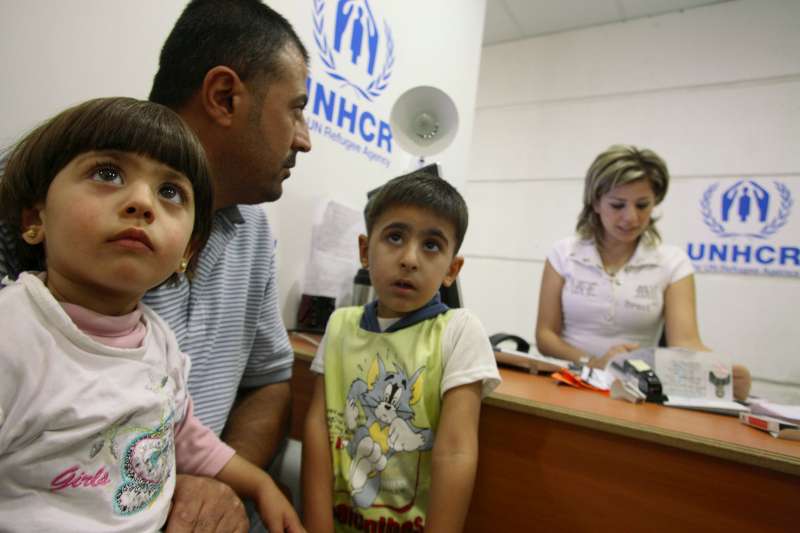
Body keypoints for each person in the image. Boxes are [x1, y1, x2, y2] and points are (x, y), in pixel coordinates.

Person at [0, 1, 312, 529]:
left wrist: (217, 480)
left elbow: (264, 382)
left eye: (171, 192)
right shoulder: (19, 307)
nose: (304, 137)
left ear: (187, 249)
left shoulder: (250, 239)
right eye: (296, 109)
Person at [301, 171, 501, 532]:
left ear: (452, 270)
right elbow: (318, 427)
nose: (410, 258)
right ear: (365, 250)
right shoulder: (340, 325)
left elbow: (456, 452)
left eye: (431, 245)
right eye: (395, 237)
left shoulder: (459, 332)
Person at [535, 144, 751, 400]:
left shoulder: (672, 262)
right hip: (567, 381)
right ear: (595, 202)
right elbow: (546, 335)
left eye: (642, 205)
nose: (631, 218)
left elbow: (685, 342)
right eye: (617, 205)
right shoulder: (563, 254)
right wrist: (593, 362)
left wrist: (721, 372)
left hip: (633, 390)